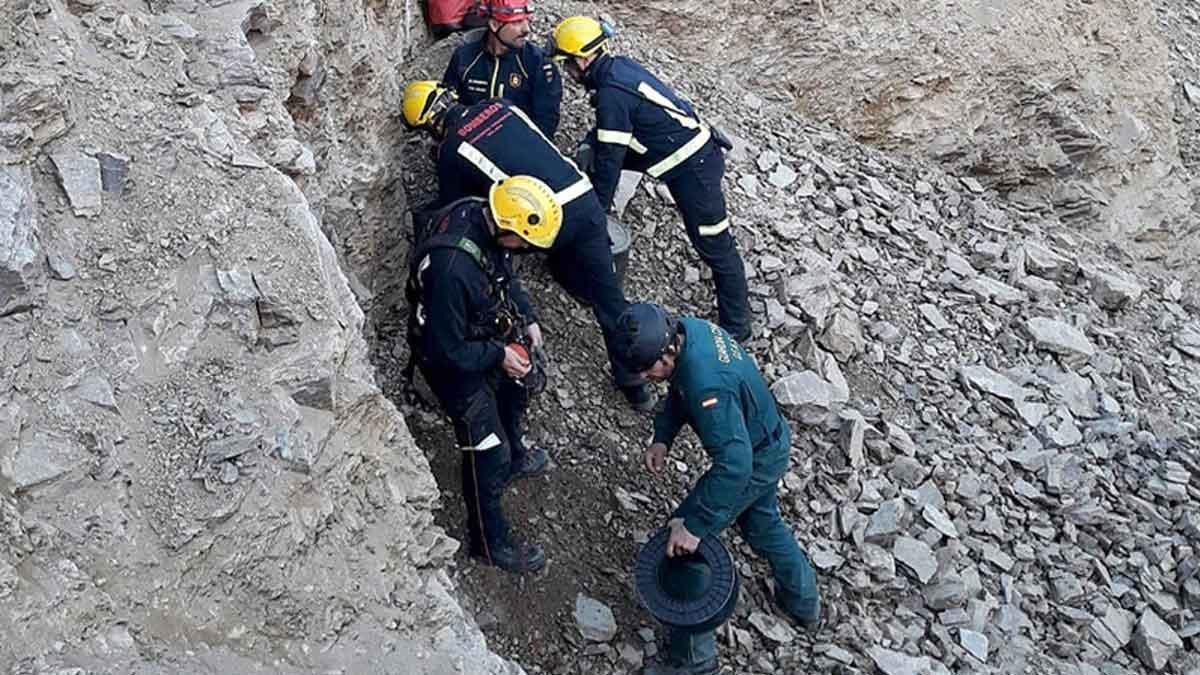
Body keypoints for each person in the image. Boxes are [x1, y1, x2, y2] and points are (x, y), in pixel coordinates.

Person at [401, 80, 656, 410]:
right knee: (609, 298)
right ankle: (634, 384)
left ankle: (510, 354)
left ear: (429, 124)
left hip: (541, 220)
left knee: (494, 270)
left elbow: (458, 210)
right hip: (583, 198)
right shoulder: (500, 105)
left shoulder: (453, 148)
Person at [615, 303, 821, 674]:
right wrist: (663, 436)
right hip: (767, 439)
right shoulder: (688, 331)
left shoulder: (706, 382)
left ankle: (694, 660)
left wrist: (694, 525)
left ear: (668, 350)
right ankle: (804, 602)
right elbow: (679, 390)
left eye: (649, 368)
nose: (646, 377)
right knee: (760, 523)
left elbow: (734, 466)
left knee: (680, 541)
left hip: (752, 459)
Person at [550, 17, 752, 343]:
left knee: (714, 244)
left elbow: (610, 162)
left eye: (568, 64)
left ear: (583, 59)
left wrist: (596, 216)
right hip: (677, 152)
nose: (569, 73)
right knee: (592, 154)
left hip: (694, 168)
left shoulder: (612, 93)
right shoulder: (617, 70)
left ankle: (737, 327)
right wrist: (590, 143)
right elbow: (610, 132)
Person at [409, 175, 563, 573]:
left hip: (477, 333)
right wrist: (498, 355)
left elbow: (504, 275)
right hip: (449, 359)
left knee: (514, 394)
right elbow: (447, 351)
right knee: (487, 453)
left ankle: (516, 457)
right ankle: (488, 543)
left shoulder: (485, 215)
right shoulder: (452, 269)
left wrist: (526, 318)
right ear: (509, 228)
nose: (527, 251)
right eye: (525, 243)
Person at [442, 0, 562, 138]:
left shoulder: (537, 63)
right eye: (517, 22)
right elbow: (449, 109)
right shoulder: (464, 58)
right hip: (471, 146)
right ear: (494, 24)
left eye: (526, 20)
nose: (526, 29)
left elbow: (546, 123)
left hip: (518, 150)